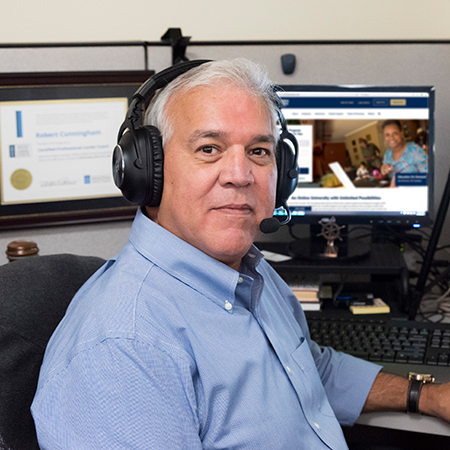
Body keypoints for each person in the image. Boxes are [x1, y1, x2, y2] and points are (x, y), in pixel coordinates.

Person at [31, 59, 450, 449]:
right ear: (149, 171)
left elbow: (307, 368)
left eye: (259, 151)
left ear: (282, 175)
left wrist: (425, 395)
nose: (240, 175)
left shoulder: (250, 273)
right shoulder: (125, 348)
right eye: (209, 149)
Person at [380, 120, 428, 187]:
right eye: (387, 134)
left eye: (394, 133)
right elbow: (385, 179)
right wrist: (383, 171)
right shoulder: (387, 154)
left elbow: (429, 177)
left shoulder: (414, 149)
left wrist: (400, 180)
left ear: (401, 133)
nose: (391, 138)